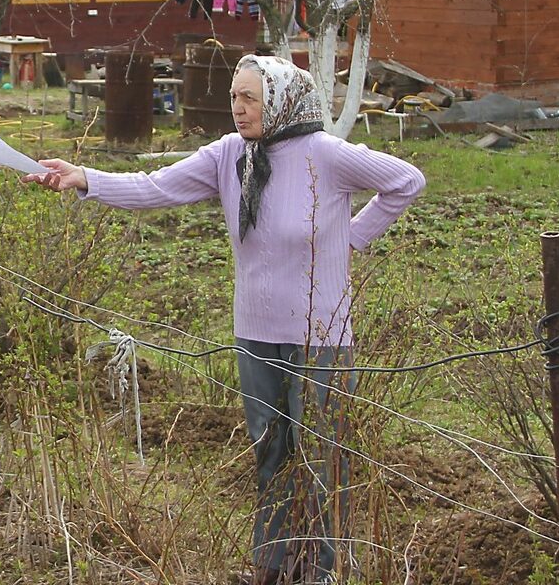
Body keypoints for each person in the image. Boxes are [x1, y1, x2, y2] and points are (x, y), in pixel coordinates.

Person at [22, 54, 424, 584]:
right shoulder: (230, 156)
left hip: (319, 336)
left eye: (249, 98)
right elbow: (154, 187)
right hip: (255, 333)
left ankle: (320, 571)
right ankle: (273, 566)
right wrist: (84, 178)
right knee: (270, 452)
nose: (237, 108)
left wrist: (349, 238)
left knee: (321, 458)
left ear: (279, 101)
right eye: (234, 97)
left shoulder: (324, 154)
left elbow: (406, 181)